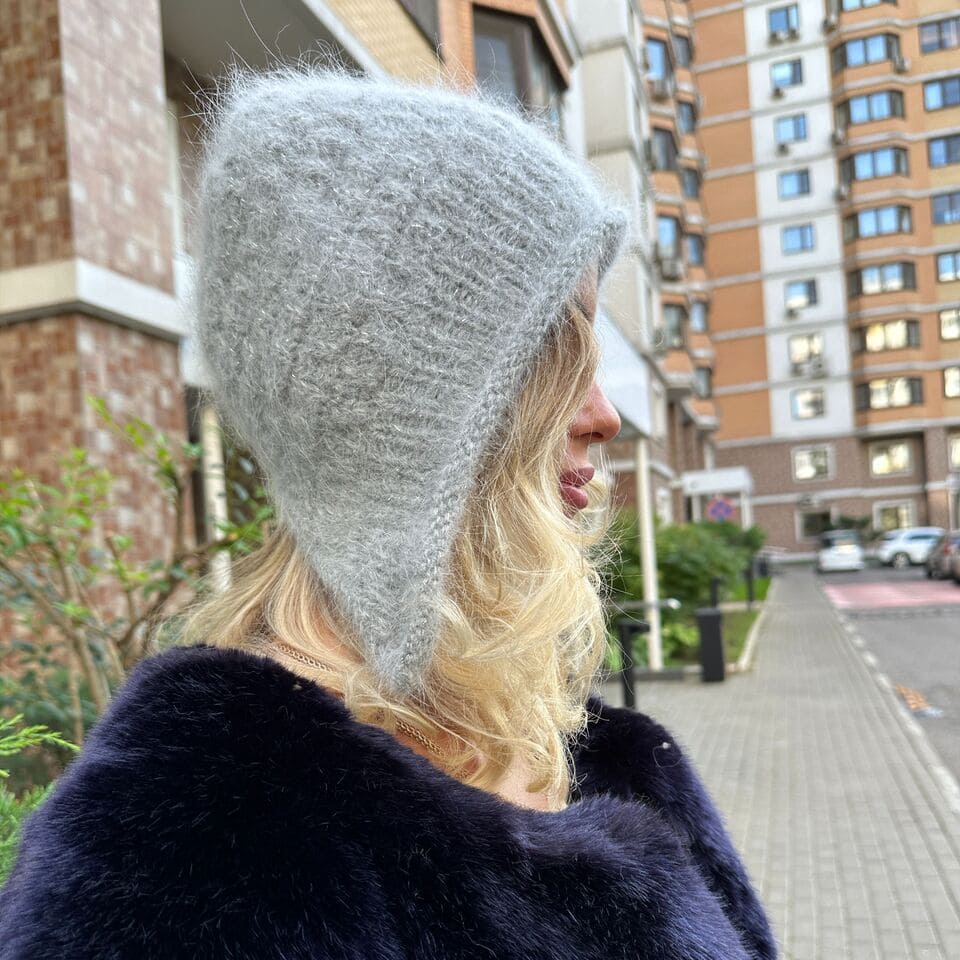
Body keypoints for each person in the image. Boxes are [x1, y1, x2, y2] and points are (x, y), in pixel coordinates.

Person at [0, 68, 777, 959]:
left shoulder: (601, 754)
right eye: (555, 349)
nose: (603, 415)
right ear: (396, 408)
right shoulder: (194, 844)